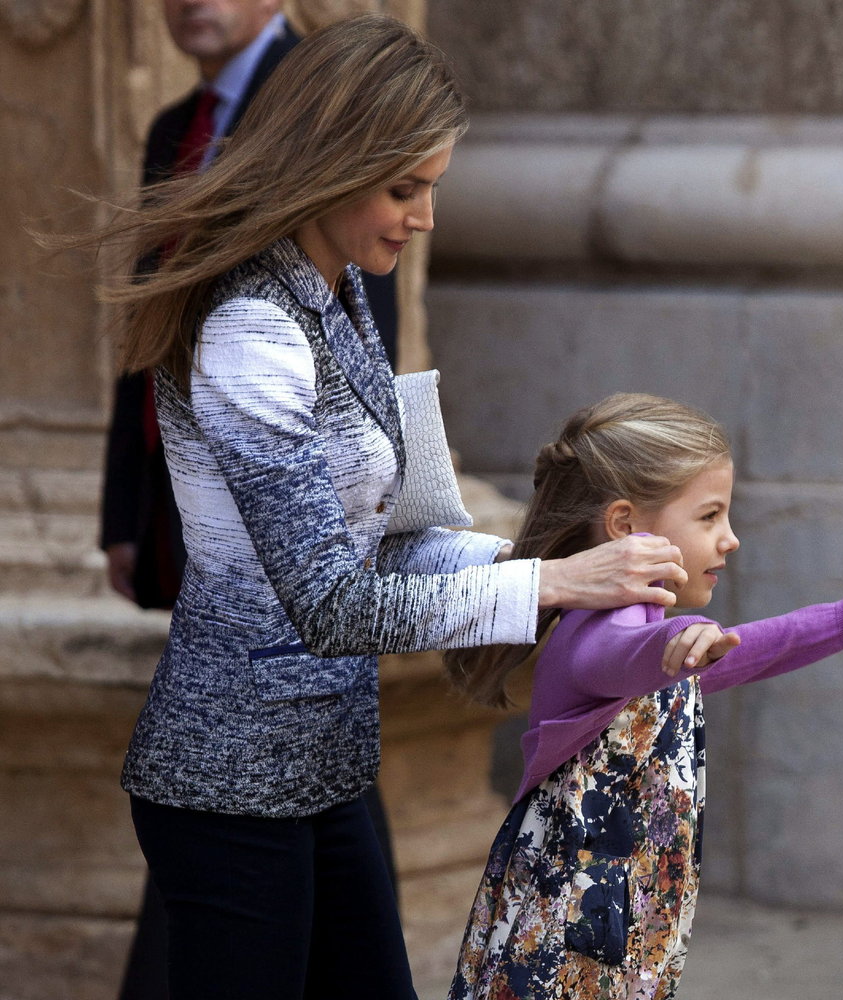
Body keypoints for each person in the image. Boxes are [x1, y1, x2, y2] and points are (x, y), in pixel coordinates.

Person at [82, 16, 686, 1000]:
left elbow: (386, 542)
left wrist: (546, 570)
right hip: (229, 788)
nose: (425, 217)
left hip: (323, 769)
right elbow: (331, 604)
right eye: (404, 188)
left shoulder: (338, 292)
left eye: (432, 187)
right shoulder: (249, 333)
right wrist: (552, 580)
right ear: (330, 166)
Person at [445, 393, 843, 1000]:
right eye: (708, 517)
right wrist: (679, 636)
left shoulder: (645, 626)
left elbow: (742, 649)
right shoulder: (596, 630)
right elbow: (630, 655)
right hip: (562, 933)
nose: (729, 539)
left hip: (621, 920)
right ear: (626, 525)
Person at [99, 6, 397, 998]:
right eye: (409, 188)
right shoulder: (172, 132)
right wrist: (123, 509)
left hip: (312, 520)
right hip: (229, 527)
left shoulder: (324, 89)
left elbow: (365, 325)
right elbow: (147, 333)